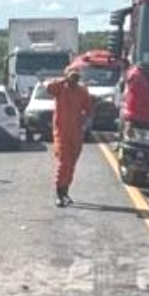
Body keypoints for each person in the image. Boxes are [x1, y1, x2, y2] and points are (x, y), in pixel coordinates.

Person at [46, 68, 94, 207]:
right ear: (67, 77)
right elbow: (49, 88)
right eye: (72, 77)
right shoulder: (60, 88)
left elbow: (89, 109)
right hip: (61, 133)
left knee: (71, 164)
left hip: (76, 133)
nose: (74, 80)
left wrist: (86, 121)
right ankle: (59, 194)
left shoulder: (82, 91)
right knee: (64, 163)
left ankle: (65, 192)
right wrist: (63, 80)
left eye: (76, 77)